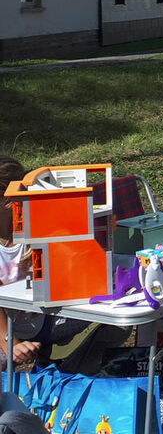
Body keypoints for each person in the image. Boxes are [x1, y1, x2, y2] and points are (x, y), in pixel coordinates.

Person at [0, 157, 91, 368]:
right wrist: (11, 344)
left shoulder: (38, 228)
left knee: (115, 321)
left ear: (8, 201)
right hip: (5, 333)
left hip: (45, 322)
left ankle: (67, 371)